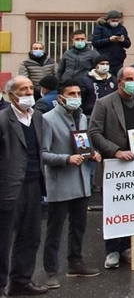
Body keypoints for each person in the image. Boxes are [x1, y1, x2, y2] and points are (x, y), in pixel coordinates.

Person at [87, 67, 134, 269]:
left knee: (132, 206)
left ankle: (127, 247)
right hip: (115, 165)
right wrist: (116, 150)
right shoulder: (104, 103)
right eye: (129, 79)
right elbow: (94, 132)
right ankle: (112, 250)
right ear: (119, 81)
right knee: (114, 208)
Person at [40, 80, 102, 289]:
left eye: (78, 93)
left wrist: (92, 154)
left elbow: (83, 144)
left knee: (79, 226)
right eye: (71, 94)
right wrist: (66, 159)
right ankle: (50, 270)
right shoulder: (47, 120)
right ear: (60, 97)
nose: (76, 97)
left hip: (82, 181)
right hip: (61, 183)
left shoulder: (82, 117)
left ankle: (75, 262)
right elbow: (44, 154)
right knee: (55, 229)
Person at [0, 76, 49, 296]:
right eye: (23, 89)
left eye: (31, 88)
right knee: (3, 239)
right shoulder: (3, 119)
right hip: (9, 187)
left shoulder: (37, 117)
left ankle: (21, 280)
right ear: (11, 94)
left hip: (34, 184)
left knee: (30, 236)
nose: (29, 92)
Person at [90, 10, 131, 77]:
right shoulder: (100, 27)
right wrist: (109, 40)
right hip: (104, 60)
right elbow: (95, 42)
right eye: (113, 20)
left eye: (116, 21)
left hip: (118, 60)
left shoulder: (122, 28)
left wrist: (123, 41)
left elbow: (128, 44)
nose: (115, 22)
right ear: (108, 20)